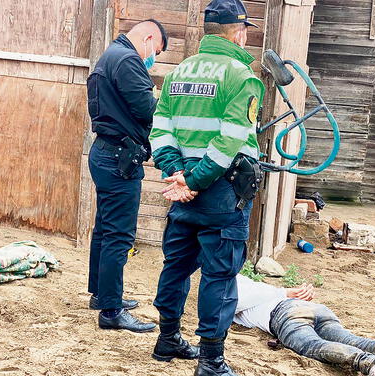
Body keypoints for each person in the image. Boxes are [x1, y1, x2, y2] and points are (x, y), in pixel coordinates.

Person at [148, 1, 264, 374]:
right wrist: (194, 181)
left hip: (182, 189)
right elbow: (229, 142)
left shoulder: (181, 70)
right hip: (222, 192)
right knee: (219, 274)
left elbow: (160, 127)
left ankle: (167, 340)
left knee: (176, 266)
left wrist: (177, 173)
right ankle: (211, 360)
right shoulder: (242, 77)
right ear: (239, 31)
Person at [86, 19, 168, 333]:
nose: (154, 58)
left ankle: (101, 295)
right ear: (148, 38)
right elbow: (150, 112)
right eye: (156, 51)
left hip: (106, 152)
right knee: (119, 236)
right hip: (119, 158)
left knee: (105, 229)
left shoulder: (109, 56)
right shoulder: (128, 60)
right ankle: (111, 311)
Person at [234, 274, 375, 376]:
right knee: (350, 339)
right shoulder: (250, 281)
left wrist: (284, 292)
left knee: (312, 345)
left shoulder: (229, 283)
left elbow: (233, 301)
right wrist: (285, 292)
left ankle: (372, 364)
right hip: (313, 308)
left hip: (284, 314)